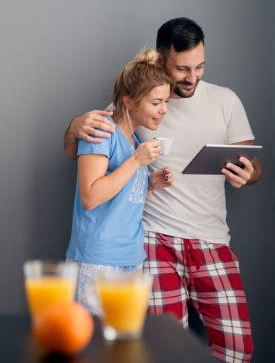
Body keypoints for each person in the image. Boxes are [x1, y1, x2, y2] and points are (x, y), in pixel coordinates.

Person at [63, 18, 260, 363]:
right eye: (182, 68)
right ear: (160, 61)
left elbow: (253, 164)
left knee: (237, 349)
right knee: (157, 349)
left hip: (210, 237)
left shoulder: (225, 101)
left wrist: (248, 172)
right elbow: (85, 151)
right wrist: (73, 126)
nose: (192, 77)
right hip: (151, 240)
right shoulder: (135, 104)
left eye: (199, 66)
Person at [66, 48, 175, 315]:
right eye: (156, 102)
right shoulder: (102, 133)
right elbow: (90, 197)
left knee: (122, 346)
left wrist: (149, 185)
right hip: (98, 260)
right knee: (93, 346)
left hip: (131, 258)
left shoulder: (135, 141)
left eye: (166, 102)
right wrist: (136, 162)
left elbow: (122, 201)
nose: (164, 110)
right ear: (128, 101)